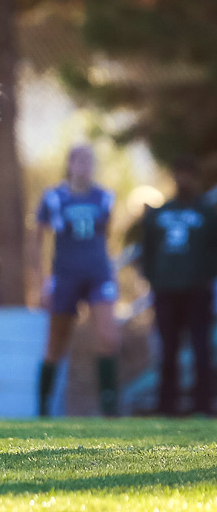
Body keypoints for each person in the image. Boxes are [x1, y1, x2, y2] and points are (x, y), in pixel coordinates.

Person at [33, 145, 120, 417]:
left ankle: (109, 409)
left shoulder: (104, 197)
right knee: (56, 343)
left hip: (97, 275)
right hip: (65, 277)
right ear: (69, 164)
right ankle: (44, 408)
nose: (84, 165)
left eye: (89, 160)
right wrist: (41, 283)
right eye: (79, 160)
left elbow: (106, 235)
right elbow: (36, 242)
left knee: (107, 337)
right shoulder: (53, 197)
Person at [141, 157, 217, 416]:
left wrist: (204, 275)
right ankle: (166, 405)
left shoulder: (207, 212)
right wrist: (155, 279)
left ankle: (203, 405)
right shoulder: (159, 213)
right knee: (168, 349)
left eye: (188, 174)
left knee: (200, 348)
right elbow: (147, 251)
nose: (183, 179)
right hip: (166, 292)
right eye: (179, 174)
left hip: (197, 292)